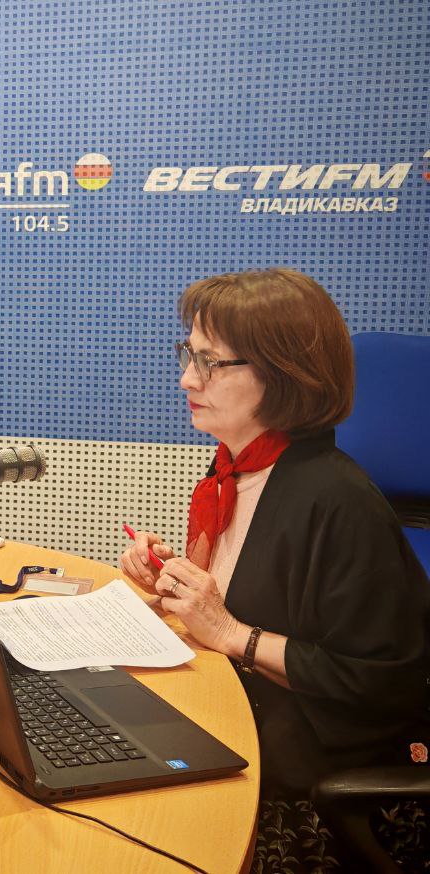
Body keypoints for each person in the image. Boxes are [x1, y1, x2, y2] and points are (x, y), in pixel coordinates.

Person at [119, 268, 429, 870]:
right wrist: (175, 584)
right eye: (189, 355)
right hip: (245, 717)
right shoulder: (232, 471)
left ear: (285, 374)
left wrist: (228, 631)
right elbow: (247, 594)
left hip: (316, 786)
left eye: (212, 363)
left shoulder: (340, 502)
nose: (187, 378)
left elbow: (379, 684)